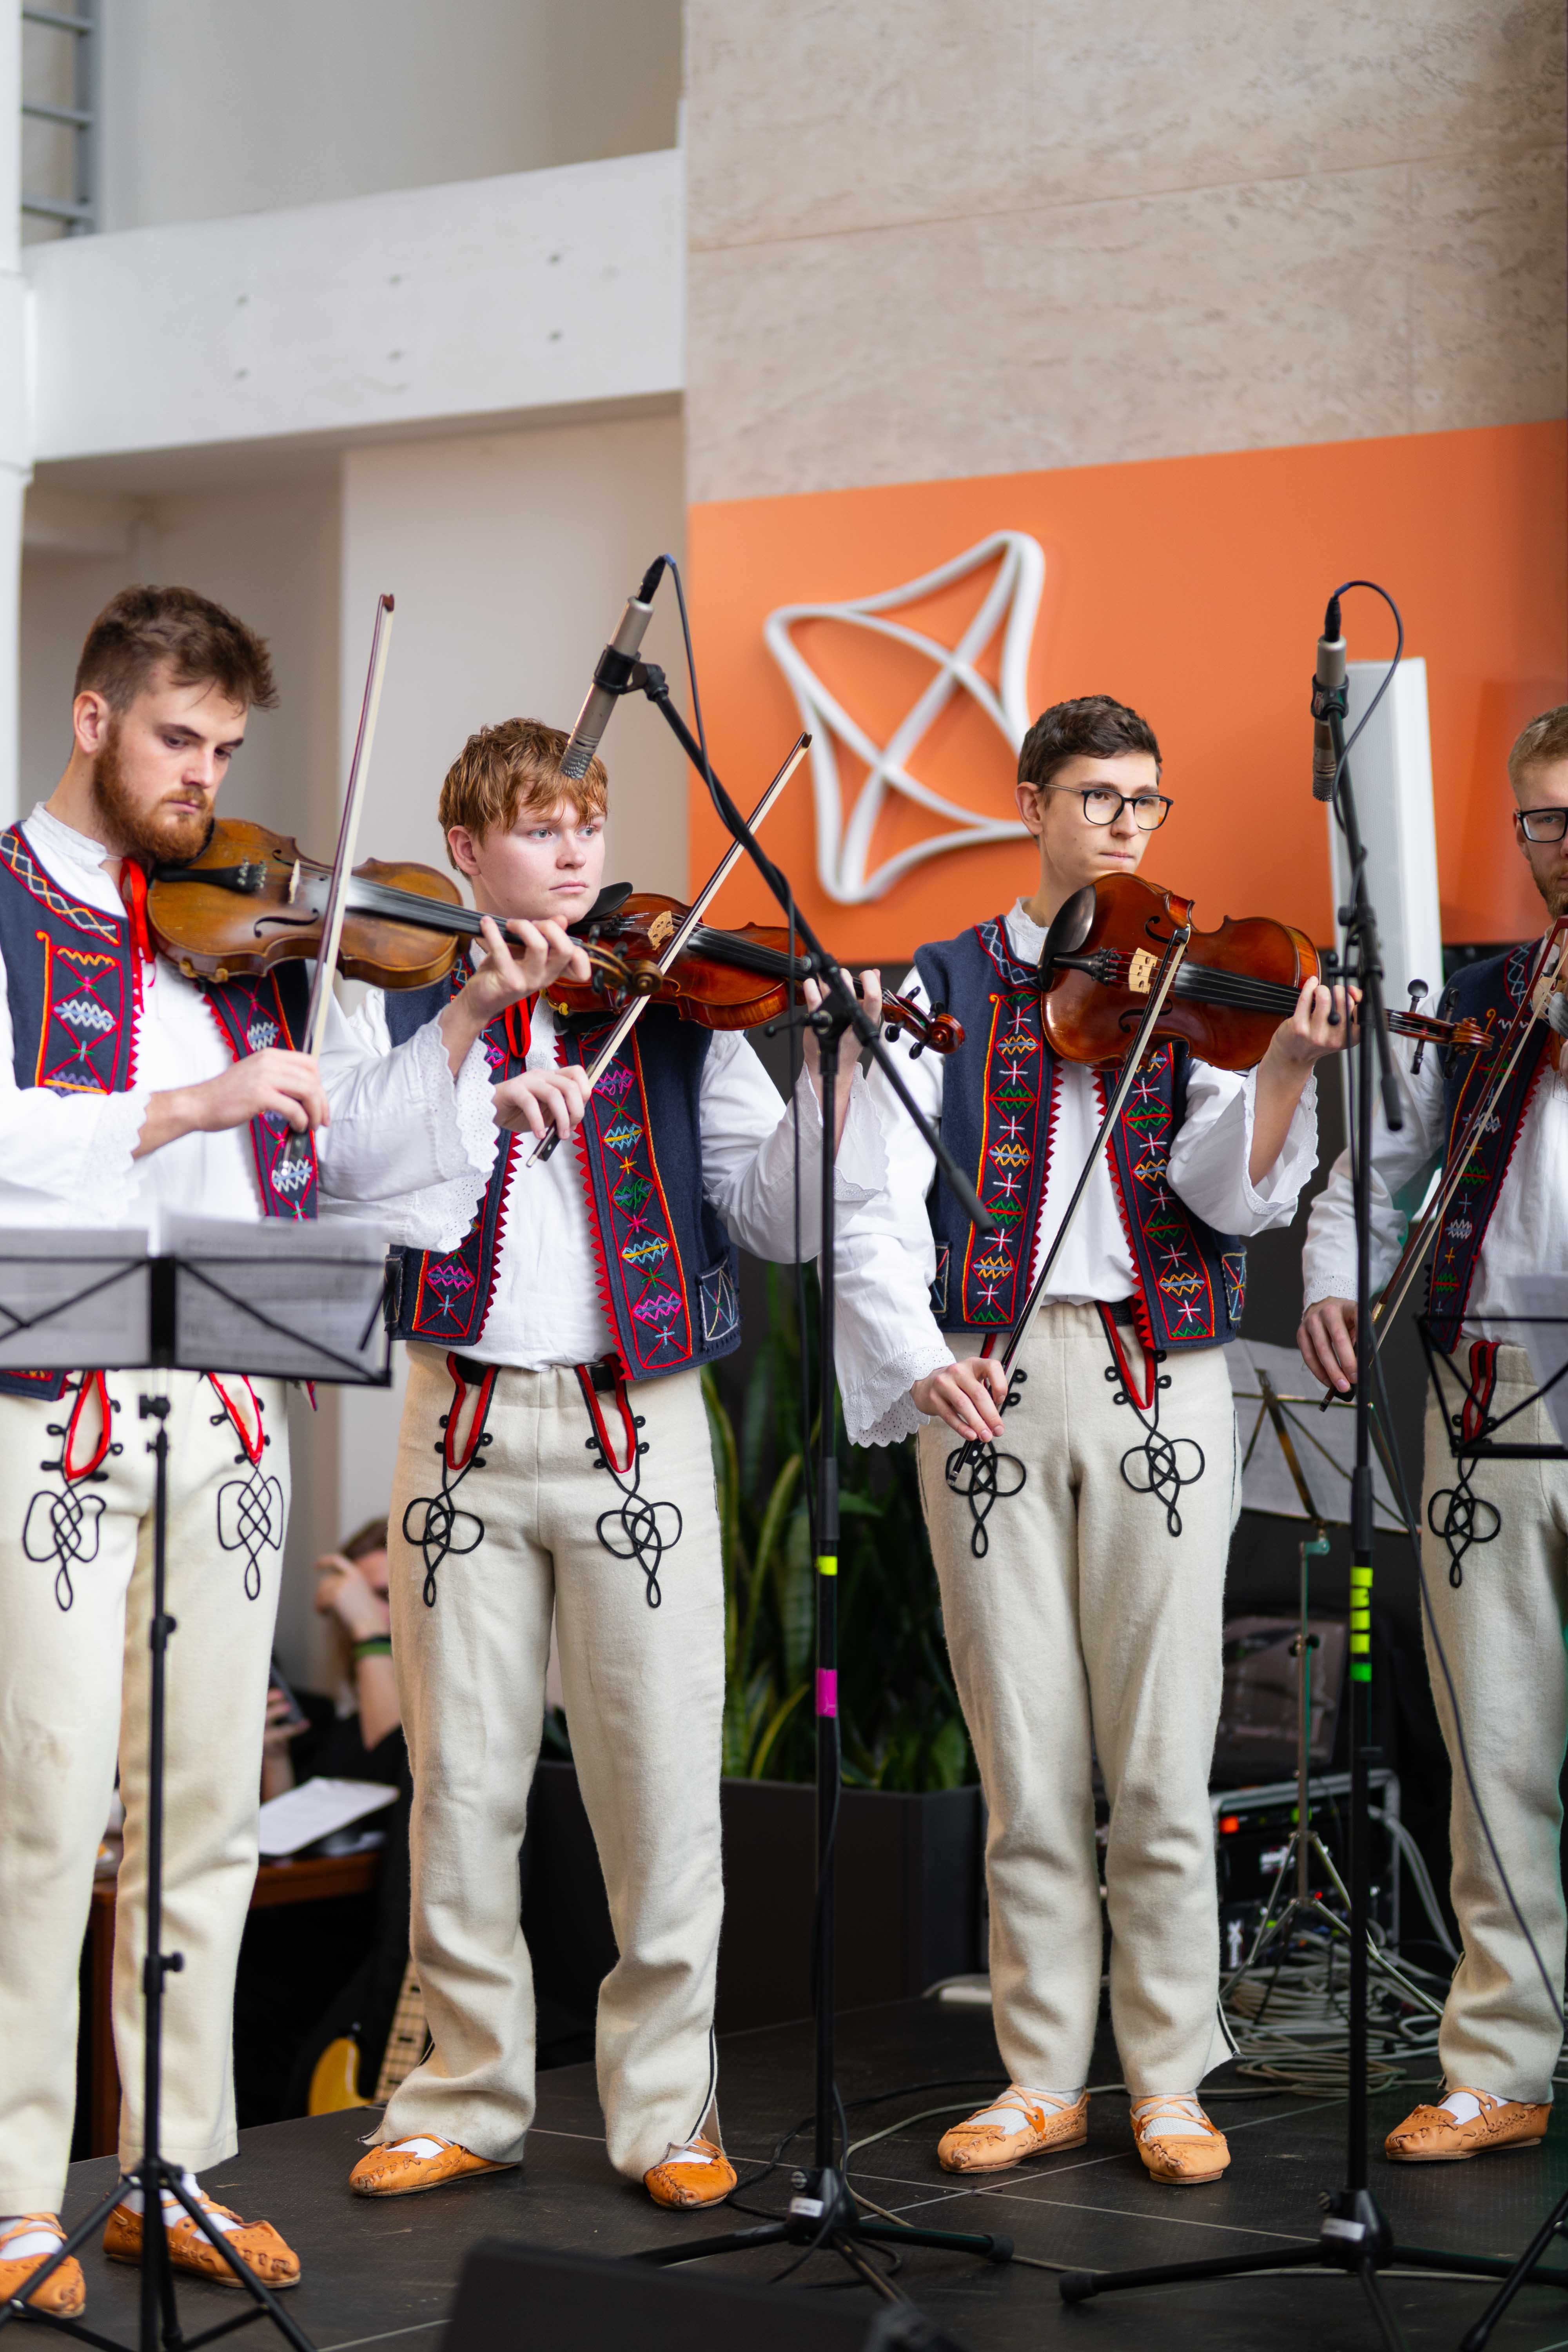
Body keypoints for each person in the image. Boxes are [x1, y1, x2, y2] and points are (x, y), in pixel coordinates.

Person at [0, 588, 585, 2316]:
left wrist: (460, 1034)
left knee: (209, 1817)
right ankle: (16, 2197)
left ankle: (173, 2169)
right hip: (54, 1407)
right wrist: (195, 1104)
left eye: (227, 750)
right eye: (178, 741)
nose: (205, 780)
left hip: (234, 1412)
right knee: (44, 1806)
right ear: (95, 721)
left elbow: (356, 1167)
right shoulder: (6, 905)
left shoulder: (259, 941)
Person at [339, 716, 884, 2212]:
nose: (577, 852)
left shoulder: (684, 1003)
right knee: (463, 1787)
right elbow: (355, 1182)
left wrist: (835, 1075)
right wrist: (471, 1065)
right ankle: (464, 2095)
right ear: (467, 850)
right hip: (458, 1420)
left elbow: (779, 1221)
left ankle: (667, 2111)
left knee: (659, 1787)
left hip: (637, 1428)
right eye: (540, 827)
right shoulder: (398, 998)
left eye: (587, 823)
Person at [830, 695, 1343, 2186]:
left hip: (1156, 1372)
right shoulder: (942, 982)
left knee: (1165, 1753)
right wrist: (918, 1357)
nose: (1126, 825)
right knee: (1026, 1754)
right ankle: (1043, 2075)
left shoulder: (1197, 987)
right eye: (1099, 797)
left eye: (1146, 800)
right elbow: (870, 1200)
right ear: (1033, 804)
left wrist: (1284, 1074)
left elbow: (1230, 1200)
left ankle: (1171, 2079)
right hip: (988, 1376)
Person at [1299, 704, 1568, 2166]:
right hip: (1485, 1386)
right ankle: (1500, 2067)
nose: (1563, 844)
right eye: (1544, 818)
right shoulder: (1479, 995)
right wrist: (1333, 1279)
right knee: (1497, 1749)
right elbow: (1380, 1166)